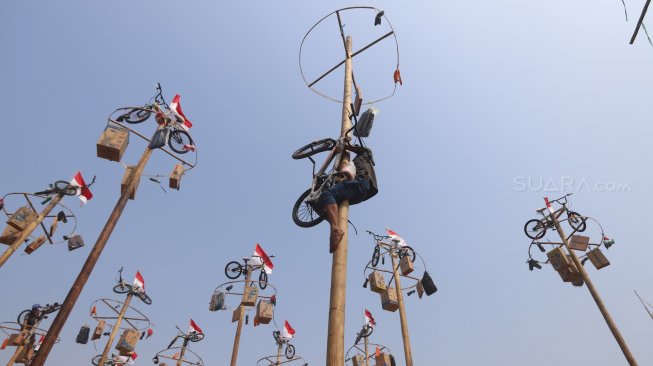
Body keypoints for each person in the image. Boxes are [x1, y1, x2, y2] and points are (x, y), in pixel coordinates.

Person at [316, 145, 378, 253]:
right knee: (328, 203)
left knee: (327, 195)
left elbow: (356, 148)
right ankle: (333, 222)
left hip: (362, 183)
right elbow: (348, 176)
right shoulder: (355, 164)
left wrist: (343, 145)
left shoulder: (365, 154)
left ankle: (335, 229)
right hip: (362, 191)